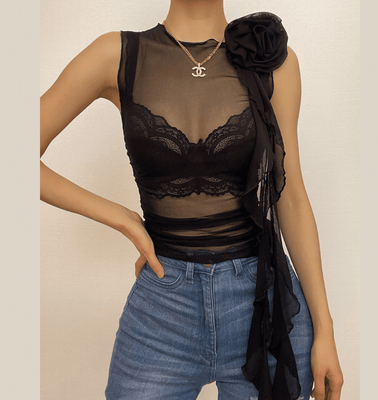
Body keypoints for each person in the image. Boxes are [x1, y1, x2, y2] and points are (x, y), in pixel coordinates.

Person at [40, 1, 344, 399]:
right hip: (163, 309)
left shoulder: (273, 61)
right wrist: (121, 217)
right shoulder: (117, 54)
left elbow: (291, 194)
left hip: (264, 308)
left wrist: (325, 331)